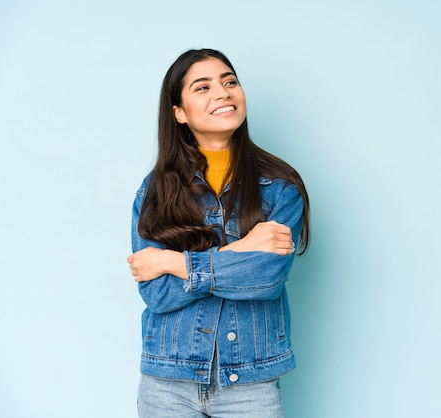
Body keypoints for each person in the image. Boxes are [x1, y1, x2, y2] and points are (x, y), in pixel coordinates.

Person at [126, 48, 310, 418]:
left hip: (251, 383)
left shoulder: (280, 186)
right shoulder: (156, 191)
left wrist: (171, 261)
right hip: (167, 382)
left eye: (230, 82)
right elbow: (157, 293)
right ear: (178, 112)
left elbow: (265, 278)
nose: (223, 93)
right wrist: (243, 248)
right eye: (203, 87)